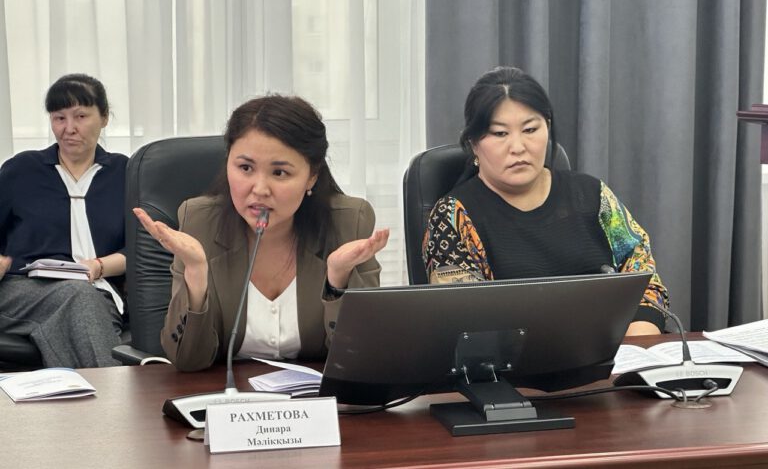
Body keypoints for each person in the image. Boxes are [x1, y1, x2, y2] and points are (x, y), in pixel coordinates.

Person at [134, 95, 389, 371]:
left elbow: (364, 359)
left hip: (318, 395)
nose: (259, 189)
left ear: (312, 176)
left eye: (279, 173)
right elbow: (187, 360)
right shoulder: (199, 222)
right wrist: (196, 274)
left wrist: (338, 281)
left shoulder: (349, 223)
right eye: (245, 168)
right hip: (227, 392)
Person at [423, 67, 669, 336]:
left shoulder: (593, 195)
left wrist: (637, 341)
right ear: (473, 143)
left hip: (614, 353)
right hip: (516, 361)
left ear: (548, 128)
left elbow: (645, 277)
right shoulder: (454, 217)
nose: (518, 147)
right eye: (500, 133)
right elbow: (466, 322)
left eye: (530, 129)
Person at [0, 73, 126, 367]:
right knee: (78, 299)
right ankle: (119, 395)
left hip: (98, 292)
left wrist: (98, 266)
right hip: (20, 290)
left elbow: (143, 250)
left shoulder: (125, 173)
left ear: (104, 118)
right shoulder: (22, 170)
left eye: (80, 116)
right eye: (59, 118)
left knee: (81, 310)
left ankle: (79, 396)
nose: (69, 129)